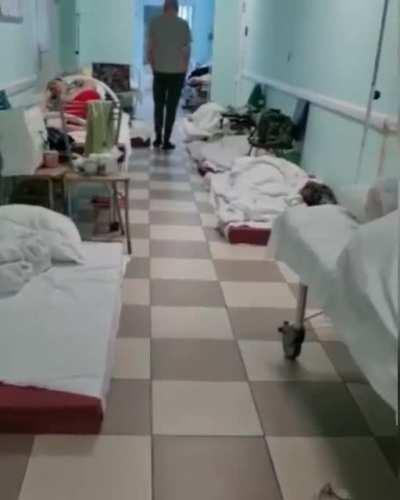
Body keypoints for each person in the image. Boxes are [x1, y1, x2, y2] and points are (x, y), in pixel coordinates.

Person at [148, 0, 192, 151]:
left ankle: (157, 139)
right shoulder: (183, 24)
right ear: (177, 9)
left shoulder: (155, 23)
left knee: (158, 106)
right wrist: (185, 69)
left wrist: (153, 67)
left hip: (159, 71)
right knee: (171, 108)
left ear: (164, 8)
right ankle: (166, 141)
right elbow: (186, 50)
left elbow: (150, 48)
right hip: (177, 73)